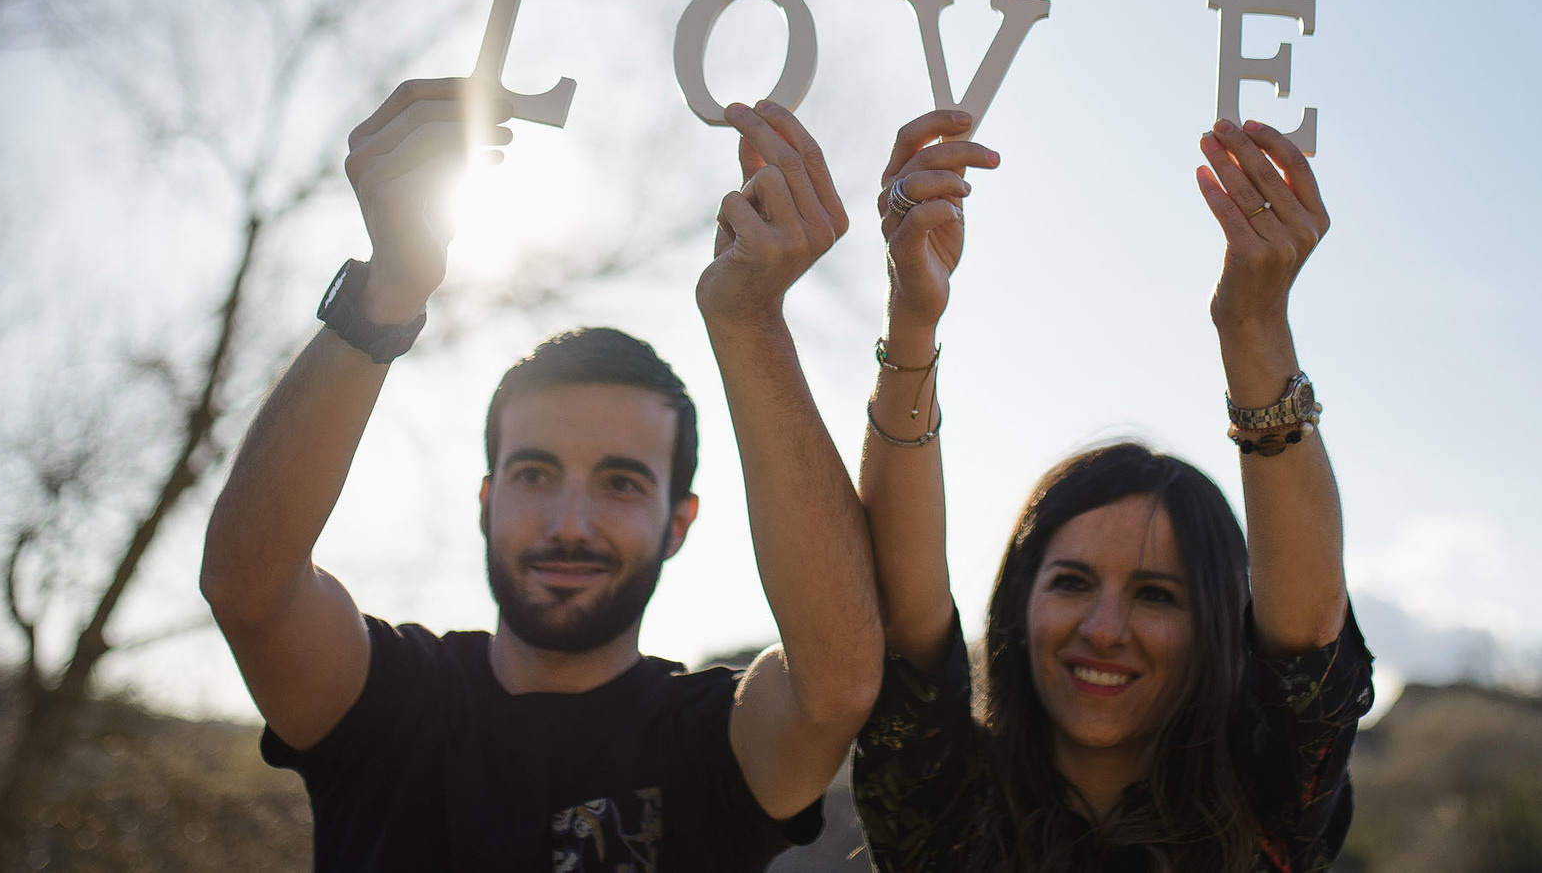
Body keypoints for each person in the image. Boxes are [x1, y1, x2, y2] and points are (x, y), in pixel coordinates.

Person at [200, 84, 879, 872]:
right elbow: (247, 588)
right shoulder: (386, 703)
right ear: (487, 501)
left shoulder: (706, 740)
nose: (568, 522)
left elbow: (838, 686)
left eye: (621, 483)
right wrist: (387, 288)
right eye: (533, 474)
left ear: (680, 521)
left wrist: (751, 321)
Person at [852, 113, 1373, 873]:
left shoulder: (1267, 800)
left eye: (1157, 595)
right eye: (1070, 582)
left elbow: (1308, 637)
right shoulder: (943, 800)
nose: (1103, 628)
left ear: (1218, 628)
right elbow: (903, 607)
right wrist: (911, 315)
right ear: (1018, 604)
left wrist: (1254, 327)